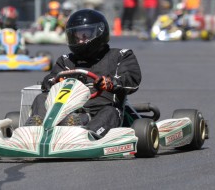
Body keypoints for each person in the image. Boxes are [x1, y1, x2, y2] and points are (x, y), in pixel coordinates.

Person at [25, 9, 142, 137]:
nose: (80, 40)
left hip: (100, 110)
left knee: (110, 111)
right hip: (66, 112)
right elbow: (48, 81)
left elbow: (131, 80)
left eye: (85, 35)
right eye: (76, 36)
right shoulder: (66, 60)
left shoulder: (120, 55)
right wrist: (55, 82)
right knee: (41, 97)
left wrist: (110, 83)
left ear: (99, 32)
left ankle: (87, 135)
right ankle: (34, 130)